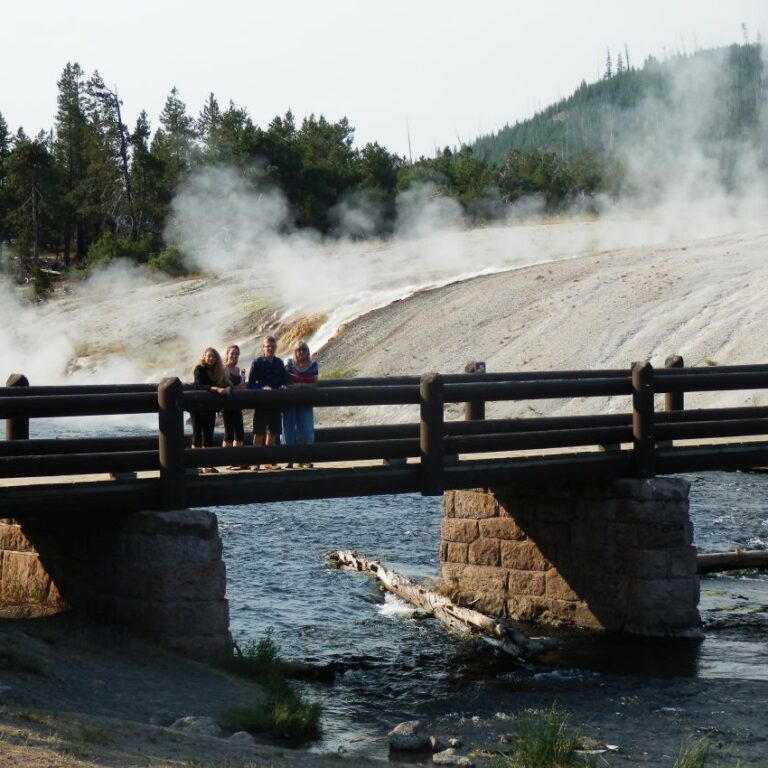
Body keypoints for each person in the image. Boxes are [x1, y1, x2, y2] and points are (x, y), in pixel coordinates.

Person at [247, 335, 287, 469]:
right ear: (263, 348)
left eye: (272, 346)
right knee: (258, 432)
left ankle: (269, 462)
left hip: (276, 402)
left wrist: (283, 386)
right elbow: (251, 384)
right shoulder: (257, 363)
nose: (270, 348)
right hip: (262, 402)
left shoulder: (279, 363)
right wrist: (262, 388)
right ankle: (255, 462)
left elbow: (284, 380)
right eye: (267, 346)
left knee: (273, 432)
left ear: (275, 348)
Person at [191, 347, 230, 474]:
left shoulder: (216, 370)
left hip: (210, 406)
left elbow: (224, 383)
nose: (211, 358)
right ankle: (196, 464)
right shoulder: (199, 369)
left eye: (213, 356)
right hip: (197, 405)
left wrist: (228, 388)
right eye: (209, 356)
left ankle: (207, 464)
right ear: (204, 356)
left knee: (208, 434)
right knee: (197, 433)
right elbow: (200, 385)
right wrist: (216, 389)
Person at [282, 341, 318, 468]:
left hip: (306, 401)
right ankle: (289, 459)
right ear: (295, 351)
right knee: (288, 430)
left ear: (307, 351)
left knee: (307, 430)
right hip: (289, 401)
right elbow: (285, 381)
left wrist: (302, 385)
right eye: (298, 350)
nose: (301, 352)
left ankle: (305, 459)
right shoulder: (289, 364)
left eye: (303, 349)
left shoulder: (313, 365)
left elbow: (314, 384)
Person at [222, 344, 248, 470]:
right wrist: (239, 388)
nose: (234, 356)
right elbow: (226, 388)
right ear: (227, 354)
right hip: (227, 405)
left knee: (239, 433)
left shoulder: (238, 370)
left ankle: (238, 460)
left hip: (237, 405)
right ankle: (227, 460)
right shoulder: (224, 369)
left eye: (236, 354)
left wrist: (241, 387)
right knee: (228, 434)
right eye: (232, 353)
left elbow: (241, 387)